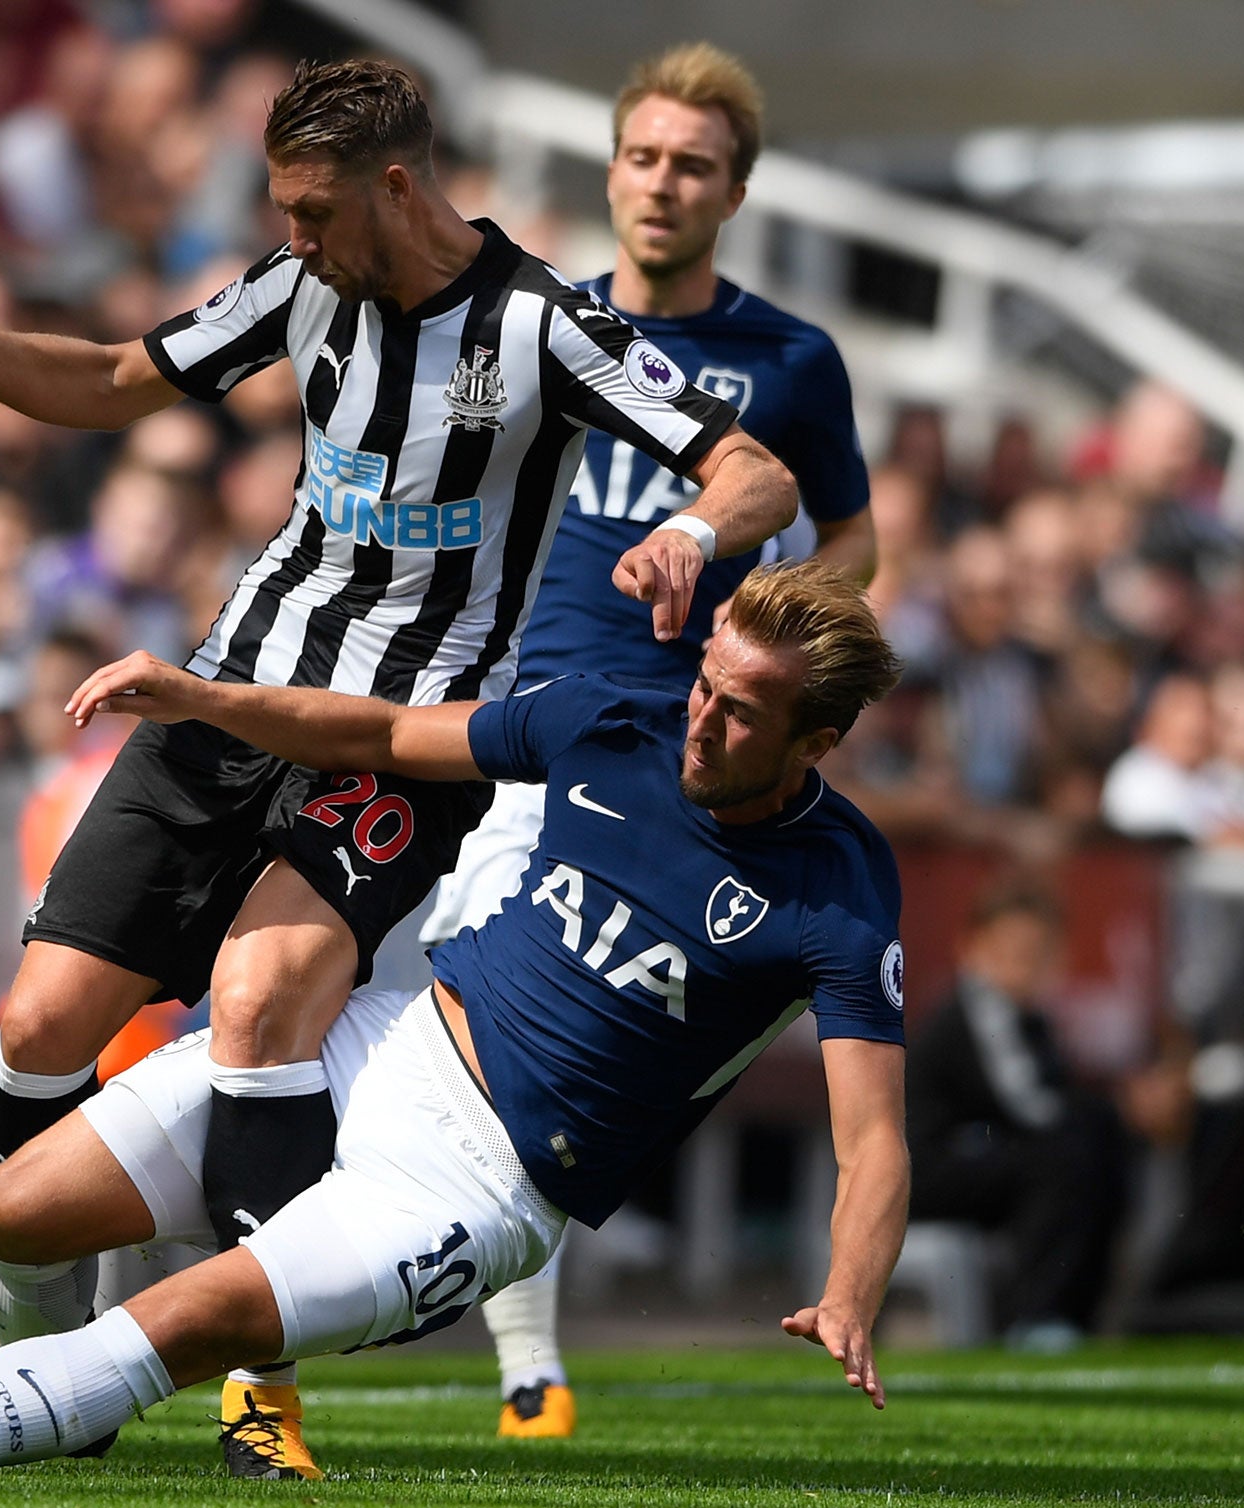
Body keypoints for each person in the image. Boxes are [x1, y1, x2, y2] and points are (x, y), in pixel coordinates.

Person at [0, 58, 799, 1474]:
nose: (291, 232)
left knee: (265, 990)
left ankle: (260, 1391)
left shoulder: (542, 323)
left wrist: (691, 533)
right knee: (39, 1025)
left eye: (311, 206)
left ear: (399, 186)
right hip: (227, 700)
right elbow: (123, 378)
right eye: (282, 207)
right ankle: (29, 1353)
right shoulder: (302, 287)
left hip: (406, 741)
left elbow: (755, 471)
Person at [0, 560, 908, 1476]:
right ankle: (43, 1406)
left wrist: (850, 1291)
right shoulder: (614, 722)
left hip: (480, 1187)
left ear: (816, 740)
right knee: (10, 1211)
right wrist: (204, 699)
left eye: (742, 712)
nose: (701, 718)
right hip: (384, 1041)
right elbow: (389, 737)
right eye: (704, 683)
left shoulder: (839, 893)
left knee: (181, 1318)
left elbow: (870, 1141)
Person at [416, 42, 877, 1437]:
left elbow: (848, 535)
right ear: (610, 171)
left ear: (735, 192)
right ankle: (522, 1366)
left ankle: (513, 1355)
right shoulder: (539, 325)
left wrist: (790, 624)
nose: (662, 184)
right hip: (523, 719)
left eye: (693, 165)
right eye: (643, 157)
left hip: (678, 761)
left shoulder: (789, 362)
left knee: (568, 1059)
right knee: (456, 1029)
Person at [905, 885, 1128, 1345]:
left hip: (981, 1159)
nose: (1026, 967)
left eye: (1038, 954)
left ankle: (1078, 1314)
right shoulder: (979, 1013)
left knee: (1100, 1141)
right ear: (972, 950)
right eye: (1014, 952)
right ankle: (1034, 1317)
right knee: (1061, 1155)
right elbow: (1030, 1107)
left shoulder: (1031, 1020)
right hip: (924, 1171)